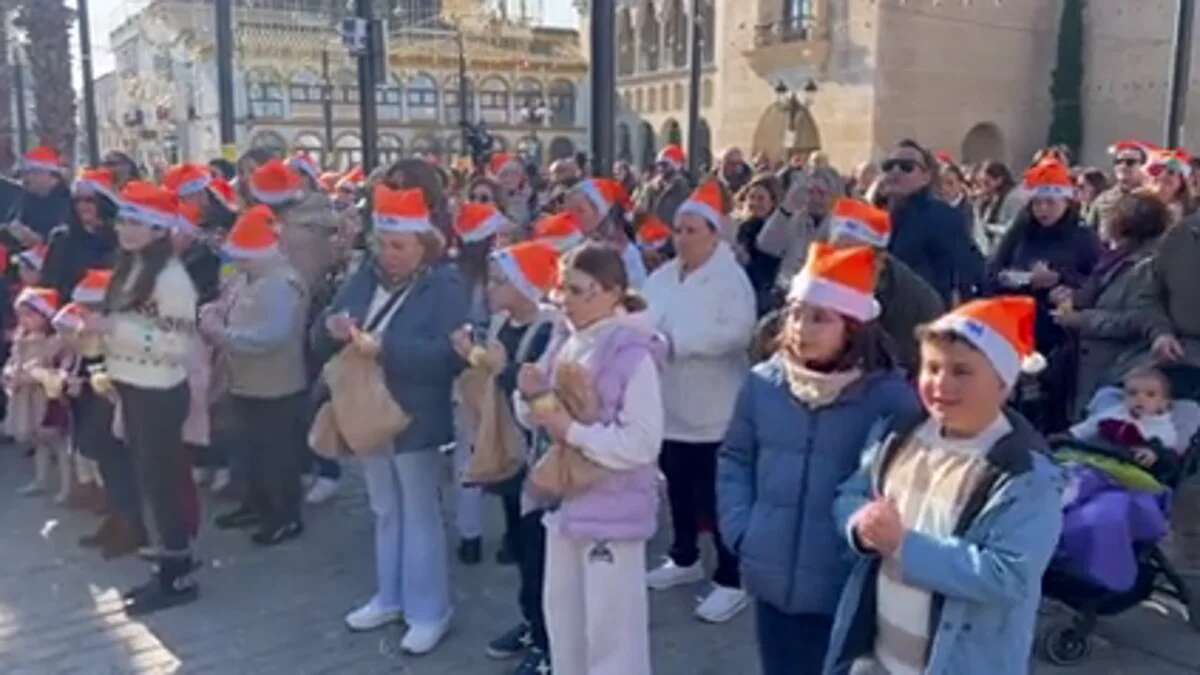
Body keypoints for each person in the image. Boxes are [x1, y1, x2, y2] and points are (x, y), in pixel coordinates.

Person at [825, 296, 1063, 675]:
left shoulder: (1025, 473)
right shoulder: (899, 432)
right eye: (931, 368)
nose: (940, 383)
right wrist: (860, 521)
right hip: (879, 656)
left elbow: (1008, 575)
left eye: (961, 372)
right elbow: (852, 492)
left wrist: (903, 545)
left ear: (1004, 384)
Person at [718, 243, 920, 674]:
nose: (799, 327)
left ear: (853, 327)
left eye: (819, 318)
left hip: (841, 582)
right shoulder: (762, 385)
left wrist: (861, 550)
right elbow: (736, 458)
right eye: (794, 312)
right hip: (770, 575)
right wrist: (741, 529)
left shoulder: (888, 398)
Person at [313, 184, 466, 654]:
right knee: (384, 508)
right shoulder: (365, 275)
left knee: (419, 511)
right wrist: (333, 326)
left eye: (399, 245)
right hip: (365, 407)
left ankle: (429, 610)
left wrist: (386, 349)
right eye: (383, 243)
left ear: (425, 245)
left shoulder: (446, 284)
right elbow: (327, 321)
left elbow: (449, 356)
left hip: (415, 414)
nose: (389, 253)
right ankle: (390, 595)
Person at [516, 242, 664, 675]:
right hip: (563, 504)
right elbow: (539, 417)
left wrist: (574, 432)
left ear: (612, 293)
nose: (568, 300)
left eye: (581, 291)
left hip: (611, 510)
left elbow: (642, 442)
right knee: (566, 627)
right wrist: (530, 398)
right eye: (565, 289)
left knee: (612, 637)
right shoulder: (564, 339)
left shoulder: (633, 354)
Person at [642, 180, 757, 624]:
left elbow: (736, 333)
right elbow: (641, 312)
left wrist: (676, 343)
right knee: (678, 487)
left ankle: (731, 578)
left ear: (714, 234)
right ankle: (684, 556)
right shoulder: (663, 276)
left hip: (714, 410)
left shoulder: (731, 279)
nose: (683, 238)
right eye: (679, 230)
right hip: (669, 405)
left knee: (717, 496)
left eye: (692, 230)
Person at [452, 241, 559, 675]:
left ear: (525, 286)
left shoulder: (550, 330)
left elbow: (540, 392)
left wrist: (495, 363)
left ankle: (551, 641)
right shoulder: (500, 321)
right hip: (507, 450)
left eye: (500, 281)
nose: (490, 288)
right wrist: (473, 356)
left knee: (541, 552)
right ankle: (533, 620)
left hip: (538, 457)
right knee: (520, 542)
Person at [100, 181, 199, 615]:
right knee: (151, 482)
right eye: (123, 219)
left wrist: (115, 331)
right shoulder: (132, 267)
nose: (126, 229)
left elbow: (177, 343)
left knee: (163, 485)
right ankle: (168, 563)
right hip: (134, 385)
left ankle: (177, 574)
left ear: (160, 230)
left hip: (160, 390)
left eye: (137, 222)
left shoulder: (172, 278)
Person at [202, 206, 308, 546]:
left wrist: (221, 335)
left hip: (275, 383)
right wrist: (215, 313)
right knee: (249, 448)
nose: (238, 264)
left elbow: (271, 337)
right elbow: (225, 303)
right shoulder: (247, 276)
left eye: (243, 258)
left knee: (276, 454)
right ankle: (256, 504)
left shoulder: (279, 283)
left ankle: (284, 516)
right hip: (245, 379)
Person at [988, 158, 1100, 431]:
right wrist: (1014, 279)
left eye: (1050, 202)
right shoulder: (1021, 231)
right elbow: (992, 271)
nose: (1043, 210)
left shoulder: (1082, 237)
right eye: (1037, 203)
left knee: (1052, 405)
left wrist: (1061, 279)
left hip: (1058, 332)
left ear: (1066, 202)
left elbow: (1097, 280)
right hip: (1019, 326)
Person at [1050, 190, 1167, 416]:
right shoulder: (1116, 258)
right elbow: (1098, 292)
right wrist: (1072, 297)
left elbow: (1136, 319)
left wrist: (1080, 319)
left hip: (1117, 368)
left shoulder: (1146, 266)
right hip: (1089, 364)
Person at [450, 201, 510, 565]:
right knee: (504, 448)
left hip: (464, 372)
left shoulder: (451, 274)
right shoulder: (499, 272)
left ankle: (468, 534)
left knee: (467, 454)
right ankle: (509, 536)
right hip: (493, 367)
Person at [826, 198, 944, 374]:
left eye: (852, 257)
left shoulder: (916, 302)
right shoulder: (820, 277)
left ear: (879, 262)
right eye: (835, 254)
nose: (841, 264)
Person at [883, 139, 984, 303]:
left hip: (923, 316)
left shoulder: (943, 217)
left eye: (906, 167)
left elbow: (971, 268)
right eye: (888, 166)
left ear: (926, 177)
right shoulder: (877, 215)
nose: (895, 171)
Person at [6, 287, 67, 498]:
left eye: (30, 315)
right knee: (38, 441)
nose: (24, 320)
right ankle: (40, 480)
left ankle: (67, 486)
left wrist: (27, 376)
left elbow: (49, 369)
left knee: (56, 442)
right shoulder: (20, 340)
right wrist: (9, 373)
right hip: (26, 397)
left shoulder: (54, 341)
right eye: (21, 315)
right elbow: (13, 362)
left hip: (45, 397)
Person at [41, 168, 119, 299]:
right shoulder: (62, 239)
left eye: (89, 200)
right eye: (77, 200)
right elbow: (50, 285)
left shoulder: (121, 240)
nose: (82, 206)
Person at [734, 173, 784, 315]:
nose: (754, 203)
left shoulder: (778, 230)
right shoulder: (743, 227)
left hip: (766, 295)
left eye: (761, 198)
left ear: (773, 202)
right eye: (751, 197)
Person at [9, 147, 73, 247]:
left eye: (29, 173)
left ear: (46, 173)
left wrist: (40, 240)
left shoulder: (69, 202)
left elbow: (67, 239)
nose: (25, 178)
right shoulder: (25, 198)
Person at [971, 160, 1024, 254]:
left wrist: (988, 227)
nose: (983, 188)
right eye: (980, 184)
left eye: (987, 183)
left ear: (999, 180)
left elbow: (1014, 227)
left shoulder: (1014, 198)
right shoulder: (989, 200)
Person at [635, 145, 692, 226]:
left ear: (677, 165)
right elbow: (641, 211)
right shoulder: (651, 188)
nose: (660, 169)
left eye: (664, 165)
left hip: (674, 234)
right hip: (653, 234)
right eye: (659, 165)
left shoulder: (684, 188)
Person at [1144, 148, 1195, 223]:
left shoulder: (1191, 216)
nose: (1162, 175)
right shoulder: (1136, 206)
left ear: (1182, 183)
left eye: (1171, 172)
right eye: (1157, 170)